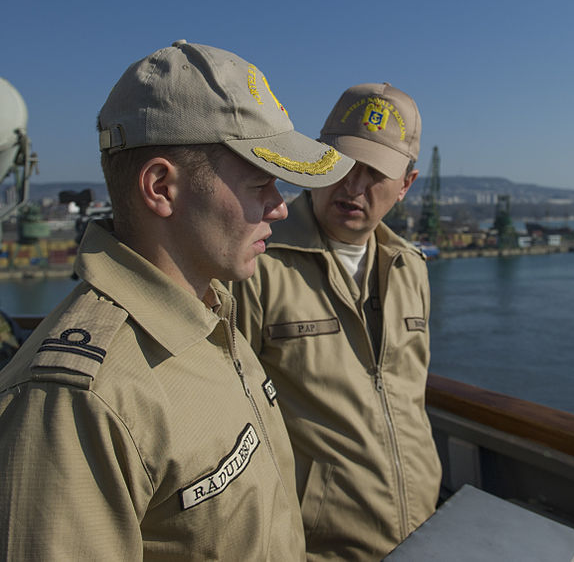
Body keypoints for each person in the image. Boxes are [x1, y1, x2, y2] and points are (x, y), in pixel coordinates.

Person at [0, 40, 353, 560]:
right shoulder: (75, 402)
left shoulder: (215, 315)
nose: (280, 208)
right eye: (261, 182)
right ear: (161, 187)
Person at [231, 82, 442, 560]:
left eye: (374, 172)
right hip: (314, 548)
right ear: (317, 160)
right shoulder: (259, 265)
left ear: (406, 184)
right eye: (342, 164)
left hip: (424, 533)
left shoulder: (411, 268)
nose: (353, 186)